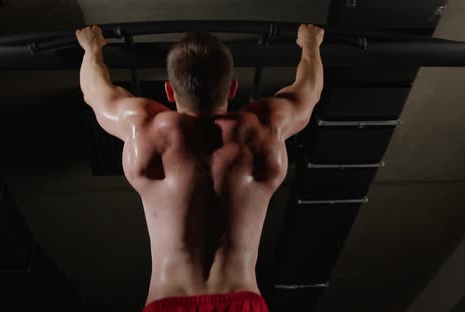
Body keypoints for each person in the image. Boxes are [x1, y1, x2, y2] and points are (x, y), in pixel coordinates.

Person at [76, 23, 324, 312]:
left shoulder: (144, 127)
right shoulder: (265, 128)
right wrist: (310, 45)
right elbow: (308, 93)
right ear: (232, 87)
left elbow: (96, 93)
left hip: (168, 301)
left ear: (169, 91)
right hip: (242, 300)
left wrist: (92, 48)